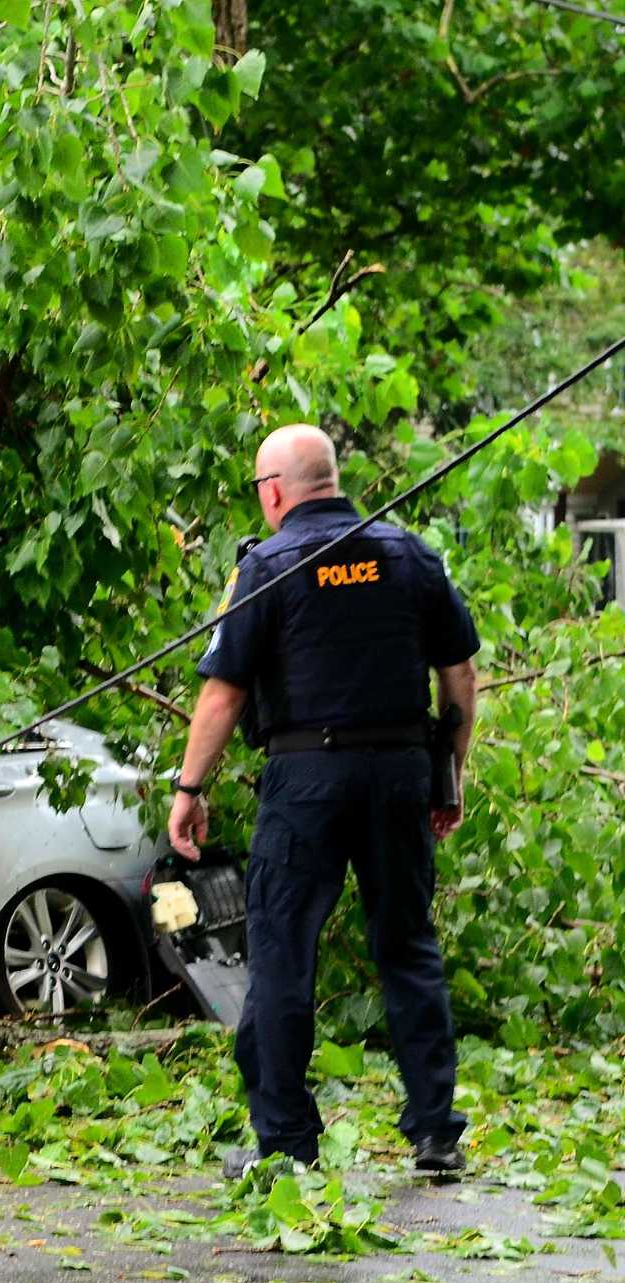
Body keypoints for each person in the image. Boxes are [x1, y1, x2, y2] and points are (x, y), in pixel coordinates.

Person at [167, 423, 478, 1179]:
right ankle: (435, 1134)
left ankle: (286, 1144)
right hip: (401, 772)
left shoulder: (269, 566)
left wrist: (189, 788)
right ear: (331, 481)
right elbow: (461, 674)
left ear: (273, 490)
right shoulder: (409, 556)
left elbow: (224, 694)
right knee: (407, 946)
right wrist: (449, 773)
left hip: (307, 779)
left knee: (282, 955)